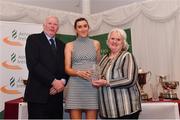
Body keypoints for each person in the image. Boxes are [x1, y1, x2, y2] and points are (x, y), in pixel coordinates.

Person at [24, 16, 69, 119]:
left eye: (55, 24)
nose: (52, 26)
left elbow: (67, 67)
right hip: (38, 97)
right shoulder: (33, 39)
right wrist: (53, 81)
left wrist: (62, 82)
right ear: (44, 25)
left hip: (57, 97)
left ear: (58, 28)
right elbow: (33, 64)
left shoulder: (62, 45)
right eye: (50, 23)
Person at [92, 28, 142, 119]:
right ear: (108, 41)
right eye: (112, 38)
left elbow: (130, 80)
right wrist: (93, 78)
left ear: (123, 43)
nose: (114, 41)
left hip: (126, 110)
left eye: (118, 39)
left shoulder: (127, 56)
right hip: (107, 111)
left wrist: (107, 82)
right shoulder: (103, 59)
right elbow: (96, 77)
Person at [64, 17, 101, 119]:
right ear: (75, 29)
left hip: (91, 86)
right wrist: (78, 73)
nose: (83, 29)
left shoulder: (96, 43)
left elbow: (98, 65)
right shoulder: (69, 45)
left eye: (85, 26)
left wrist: (96, 79)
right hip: (75, 86)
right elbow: (67, 69)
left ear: (88, 27)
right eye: (79, 27)